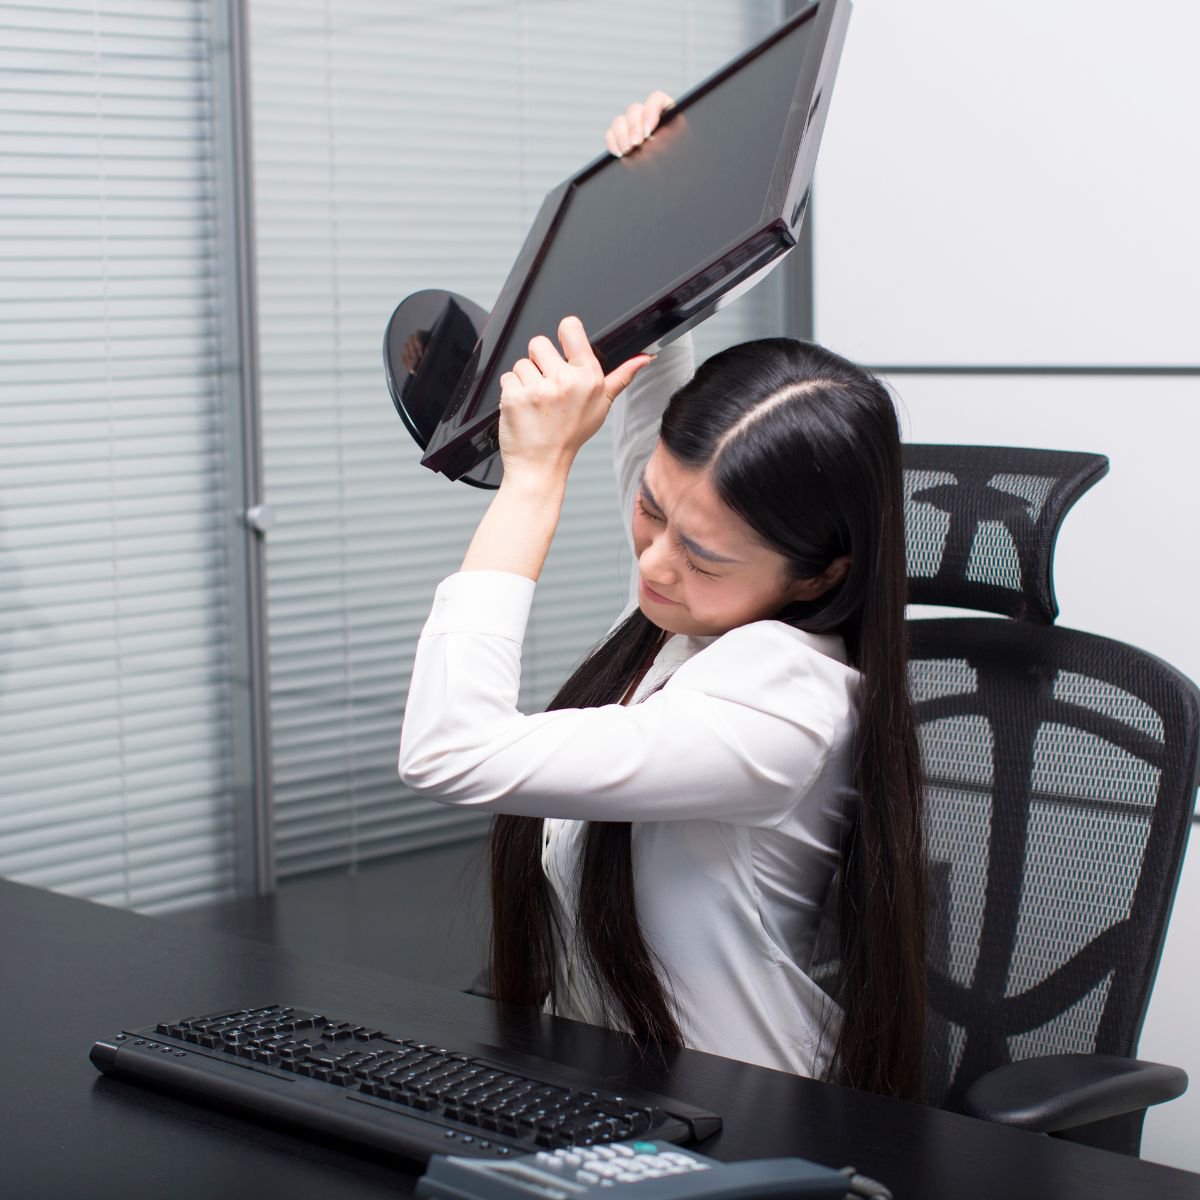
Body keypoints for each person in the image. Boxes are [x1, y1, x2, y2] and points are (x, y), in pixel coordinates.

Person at [399, 94, 926, 1101]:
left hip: (756, 1139)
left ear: (819, 574)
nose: (654, 565)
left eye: (706, 553)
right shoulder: (691, 612)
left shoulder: (782, 705)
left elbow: (447, 748)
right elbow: (651, 366)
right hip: (616, 1100)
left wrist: (535, 480)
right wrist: (666, 191)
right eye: (649, 510)